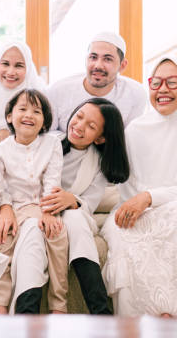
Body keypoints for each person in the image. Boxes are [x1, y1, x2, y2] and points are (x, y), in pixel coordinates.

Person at [100, 57, 177, 317]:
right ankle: (137, 323)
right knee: (120, 225)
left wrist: (149, 197)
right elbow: (126, 186)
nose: (162, 90)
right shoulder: (136, 129)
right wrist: (140, 202)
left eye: (172, 82)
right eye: (156, 83)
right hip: (142, 208)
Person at [39, 98, 130, 314]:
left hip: (76, 215)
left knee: (75, 217)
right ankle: (99, 311)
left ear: (100, 138)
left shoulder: (98, 163)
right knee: (72, 218)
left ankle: (99, 310)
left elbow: (89, 203)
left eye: (91, 126)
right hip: (41, 209)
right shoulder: (48, 143)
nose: (79, 126)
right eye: (79, 117)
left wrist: (72, 200)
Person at [0, 89, 67, 314]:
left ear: (44, 121)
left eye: (37, 111)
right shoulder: (0, 150)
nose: (29, 115)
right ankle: (0, 307)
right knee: (3, 242)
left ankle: (59, 305)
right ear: (9, 116)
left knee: (57, 234)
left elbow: (52, 180)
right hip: (14, 209)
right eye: (22, 109)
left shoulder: (52, 144)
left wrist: (49, 212)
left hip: (42, 207)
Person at [46, 32, 146, 131]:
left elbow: (129, 139)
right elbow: (48, 137)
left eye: (107, 59)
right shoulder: (57, 90)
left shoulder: (136, 94)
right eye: (93, 57)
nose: (98, 65)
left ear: (122, 65)